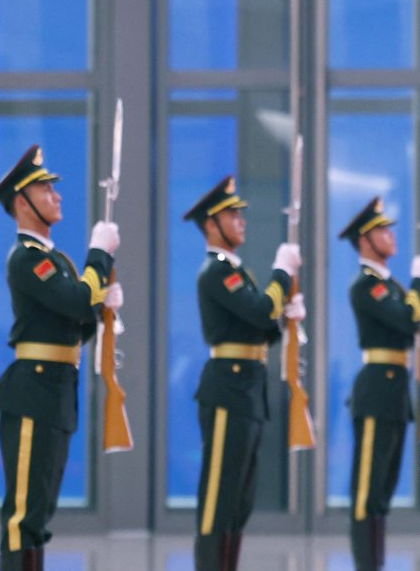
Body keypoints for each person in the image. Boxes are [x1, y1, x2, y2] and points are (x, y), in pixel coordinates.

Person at [0, 146, 121, 570]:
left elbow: (79, 317)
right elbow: (77, 298)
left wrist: (103, 308)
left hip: (55, 393)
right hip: (33, 393)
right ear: (21, 201)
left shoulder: (57, 261)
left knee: (40, 514)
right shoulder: (28, 259)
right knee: (23, 517)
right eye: (45, 188)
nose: (57, 195)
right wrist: (99, 255)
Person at [182, 176, 304, 571]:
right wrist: (282, 275)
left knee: (238, 499)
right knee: (219, 496)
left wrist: (286, 314)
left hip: (247, 392)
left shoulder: (236, 272)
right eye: (232, 215)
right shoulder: (218, 272)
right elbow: (256, 310)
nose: (241, 221)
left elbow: (262, 326)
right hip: (226, 391)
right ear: (211, 224)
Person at [337, 197, 420, 571]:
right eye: (382, 230)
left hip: (393, 393)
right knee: (367, 492)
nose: (391, 236)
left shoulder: (388, 284)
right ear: (365, 240)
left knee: (381, 492)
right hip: (377, 391)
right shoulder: (366, 285)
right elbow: (405, 317)